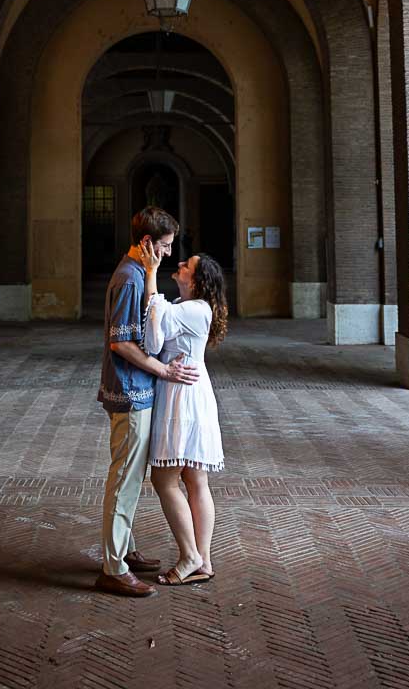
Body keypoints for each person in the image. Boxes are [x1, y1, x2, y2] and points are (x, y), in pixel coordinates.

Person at [95, 206, 200, 598]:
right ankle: (113, 566)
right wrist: (163, 370)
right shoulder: (129, 278)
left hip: (138, 390)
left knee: (131, 477)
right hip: (130, 391)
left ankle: (122, 548)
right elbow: (120, 342)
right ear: (146, 243)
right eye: (166, 246)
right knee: (124, 479)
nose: (170, 254)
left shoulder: (141, 273)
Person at [139, 242, 228, 586]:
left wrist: (150, 273)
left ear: (199, 280)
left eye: (187, 264)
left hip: (183, 396)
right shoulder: (182, 306)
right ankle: (202, 561)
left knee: (164, 479)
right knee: (194, 480)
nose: (179, 264)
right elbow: (157, 337)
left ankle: (190, 555)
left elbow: (149, 343)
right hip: (188, 390)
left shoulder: (195, 309)